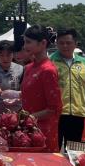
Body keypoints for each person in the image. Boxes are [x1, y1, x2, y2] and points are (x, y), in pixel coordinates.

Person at [50, 29, 85, 150]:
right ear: (56, 44)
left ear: (75, 44)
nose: (65, 46)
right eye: (61, 43)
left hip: (78, 114)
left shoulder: (84, 63)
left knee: (73, 153)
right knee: (53, 151)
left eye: (68, 42)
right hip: (56, 114)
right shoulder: (50, 62)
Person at [20, 25, 63, 153]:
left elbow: (54, 108)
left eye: (28, 42)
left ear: (43, 43)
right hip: (27, 128)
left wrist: (30, 117)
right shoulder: (28, 68)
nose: (25, 46)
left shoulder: (48, 70)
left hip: (44, 132)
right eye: (24, 42)